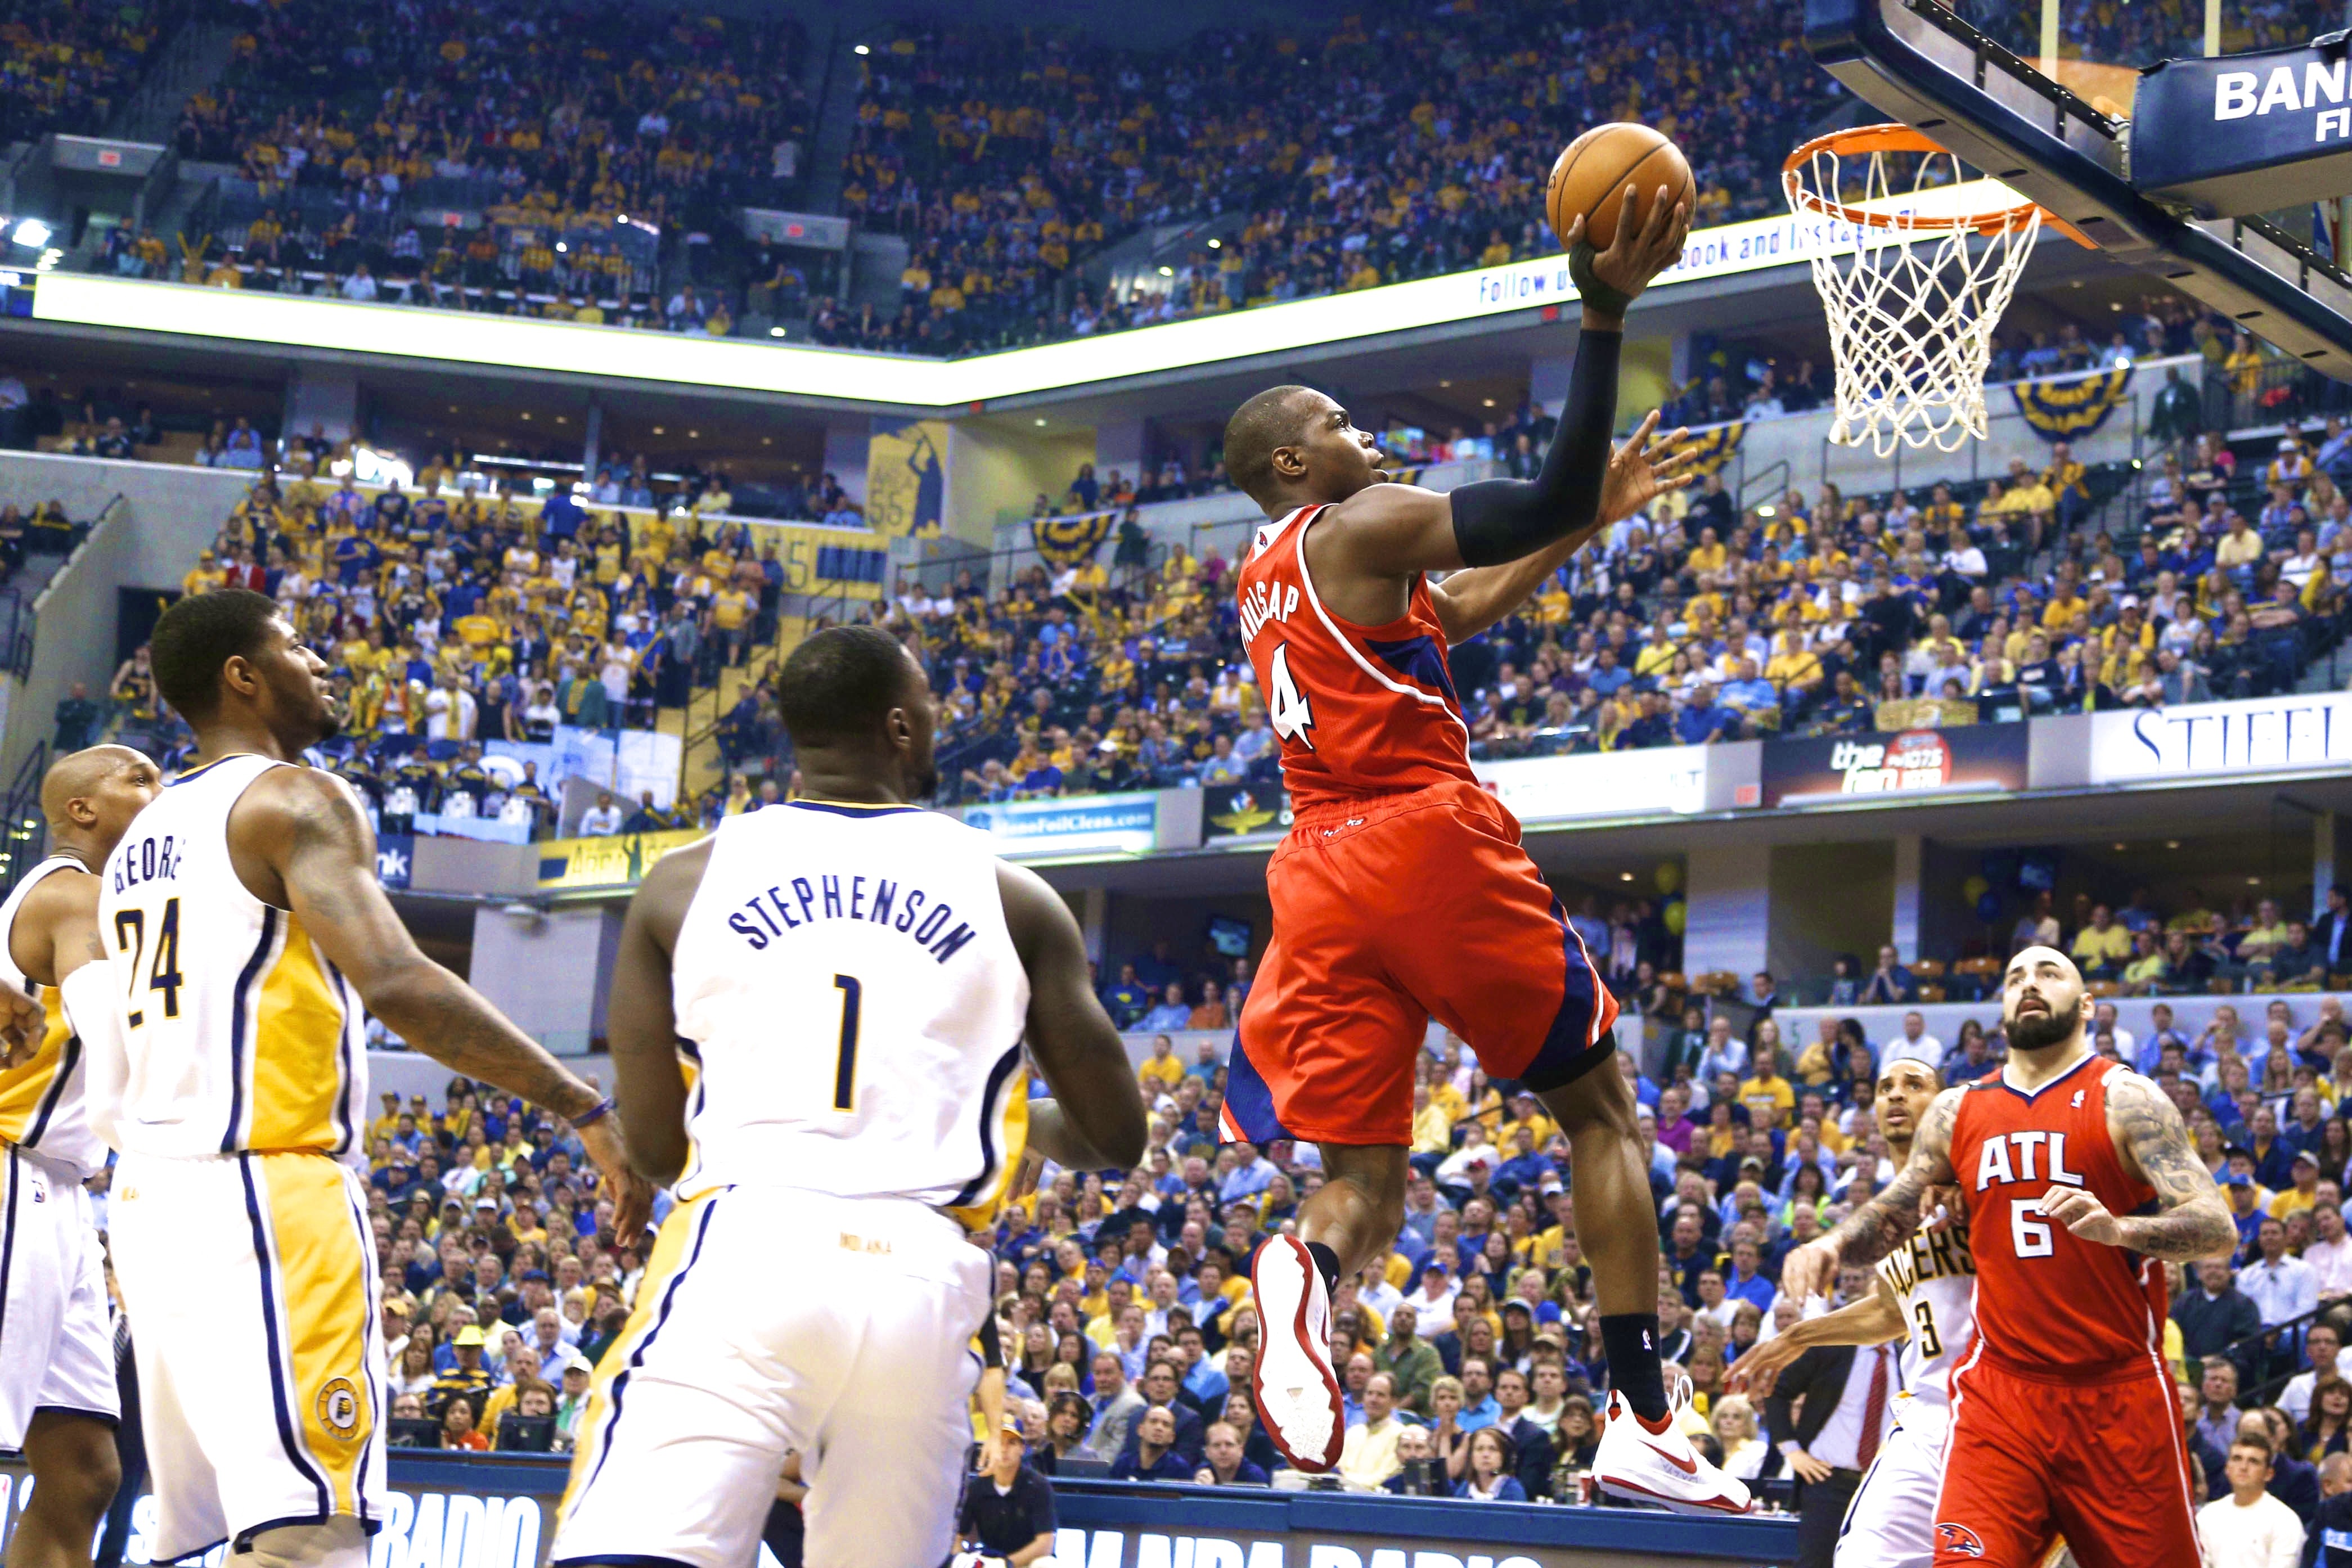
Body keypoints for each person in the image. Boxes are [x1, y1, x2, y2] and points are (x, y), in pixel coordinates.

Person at [1218, 189, 1741, 1512]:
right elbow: (1538, 491)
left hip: (1314, 869)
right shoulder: (1361, 521)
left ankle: (1304, 1274)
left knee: (1364, 1181)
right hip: (1421, 839)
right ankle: (1643, 1421)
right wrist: (1601, 313)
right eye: (1337, 423)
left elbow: (1453, 606)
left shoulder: (1266, 575)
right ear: (1291, 462)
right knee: (1600, 1112)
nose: (1363, 435)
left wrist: (1586, 522)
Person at [546, 626, 1148, 1568]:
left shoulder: (679, 885)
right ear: (901, 727)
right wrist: (994, 1118)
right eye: (932, 709)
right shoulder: (1015, 898)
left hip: (746, 1246)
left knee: (634, 1549)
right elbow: (1115, 1135)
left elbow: (656, 1149)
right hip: (922, 1276)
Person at [83, 589, 654, 1568]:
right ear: (242, 676)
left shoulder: (142, 836)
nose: (322, 662)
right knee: (314, 1534)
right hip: (262, 1192)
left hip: (149, 1203)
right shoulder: (294, 799)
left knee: (251, 1530)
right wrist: (583, 1102)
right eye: (297, 646)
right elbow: (397, 981)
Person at [1785, 947, 2235, 1568]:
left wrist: (2120, 1228)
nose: (2029, 984)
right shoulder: (1958, 1109)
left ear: (2086, 1005)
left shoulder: (2125, 1097)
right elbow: (1896, 1205)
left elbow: (2216, 1227)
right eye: (2015, 977)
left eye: (2049, 973)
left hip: (2116, 1394)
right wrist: (1832, 1242)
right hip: (2000, 1394)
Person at [0, 747, 162, 1568]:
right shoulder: (75, 893)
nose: (160, 790)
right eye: (138, 778)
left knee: (83, 1472)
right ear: (81, 810)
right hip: (11, 1174)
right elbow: (116, 1031)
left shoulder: (99, 899)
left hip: (61, 1193)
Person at [1729, 1060, 1968, 1568]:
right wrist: (1799, 1337)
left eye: (1914, 1085)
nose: (1896, 1095)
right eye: (1885, 1088)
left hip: (2000, 1407)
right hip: (1928, 1413)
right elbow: (1891, 1310)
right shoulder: (1888, 1214)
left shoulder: (1969, 1186)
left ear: (1943, 1103)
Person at [953, 1418, 1057, 1567]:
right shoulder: (977, 1487)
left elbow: (1045, 1544)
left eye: (1012, 1443)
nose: (1004, 1449)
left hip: (1027, 1562)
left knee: (1047, 1564)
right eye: (999, 1442)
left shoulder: (1038, 1486)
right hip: (989, 1560)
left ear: (1022, 1449)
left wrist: (1006, 1564)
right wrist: (960, 1557)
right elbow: (959, 1537)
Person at [2195, 1436, 2304, 1567]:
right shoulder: (2208, 1515)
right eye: (2237, 1459)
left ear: (2269, 1474)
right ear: (2227, 1468)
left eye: (2253, 1461)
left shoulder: (2285, 1520)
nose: (2243, 1467)